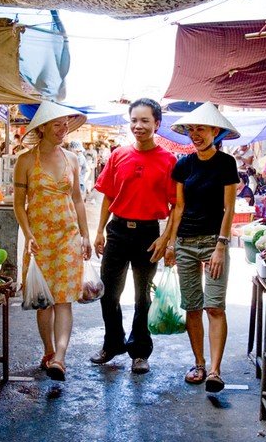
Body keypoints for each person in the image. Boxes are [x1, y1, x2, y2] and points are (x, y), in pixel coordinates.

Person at [90, 98, 176, 375]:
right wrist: (99, 231)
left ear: (157, 124)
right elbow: (108, 195)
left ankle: (140, 351)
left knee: (143, 297)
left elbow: (177, 205)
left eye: (145, 121)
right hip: (117, 231)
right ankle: (113, 343)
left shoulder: (168, 160)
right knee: (108, 293)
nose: (138, 126)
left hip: (148, 235)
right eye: (134, 120)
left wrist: (166, 239)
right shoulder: (118, 155)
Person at [13, 102, 92, 381]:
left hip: (68, 237)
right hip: (39, 240)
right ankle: (48, 350)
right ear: (43, 128)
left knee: (64, 300)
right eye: (57, 124)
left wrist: (85, 235)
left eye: (65, 124)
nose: (63, 129)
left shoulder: (72, 159)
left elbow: (78, 200)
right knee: (44, 302)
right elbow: (19, 204)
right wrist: (28, 234)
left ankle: (60, 357)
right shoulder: (25, 161)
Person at [164, 103, 239, 393]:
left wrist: (221, 245)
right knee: (192, 307)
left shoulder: (226, 163)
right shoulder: (183, 165)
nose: (195, 134)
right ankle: (199, 363)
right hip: (185, 242)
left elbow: (229, 209)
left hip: (213, 242)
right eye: (192, 129)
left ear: (215, 131)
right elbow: (178, 207)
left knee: (214, 306)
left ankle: (216, 371)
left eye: (202, 129)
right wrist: (171, 243)